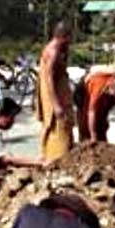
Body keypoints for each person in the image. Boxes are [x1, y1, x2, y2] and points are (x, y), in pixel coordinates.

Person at [37, 22, 75, 162]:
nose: (71, 41)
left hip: (61, 95)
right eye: (70, 38)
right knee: (58, 130)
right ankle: (56, 159)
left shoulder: (59, 49)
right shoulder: (53, 52)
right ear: (64, 37)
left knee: (64, 130)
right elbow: (48, 79)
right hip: (56, 100)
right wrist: (56, 105)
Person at [76, 69, 115, 143]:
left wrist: (103, 122)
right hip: (83, 95)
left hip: (102, 96)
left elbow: (106, 110)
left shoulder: (112, 97)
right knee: (85, 126)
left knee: (102, 127)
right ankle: (86, 140)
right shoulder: (98, 86)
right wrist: (93, 134)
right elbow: (91, 112)